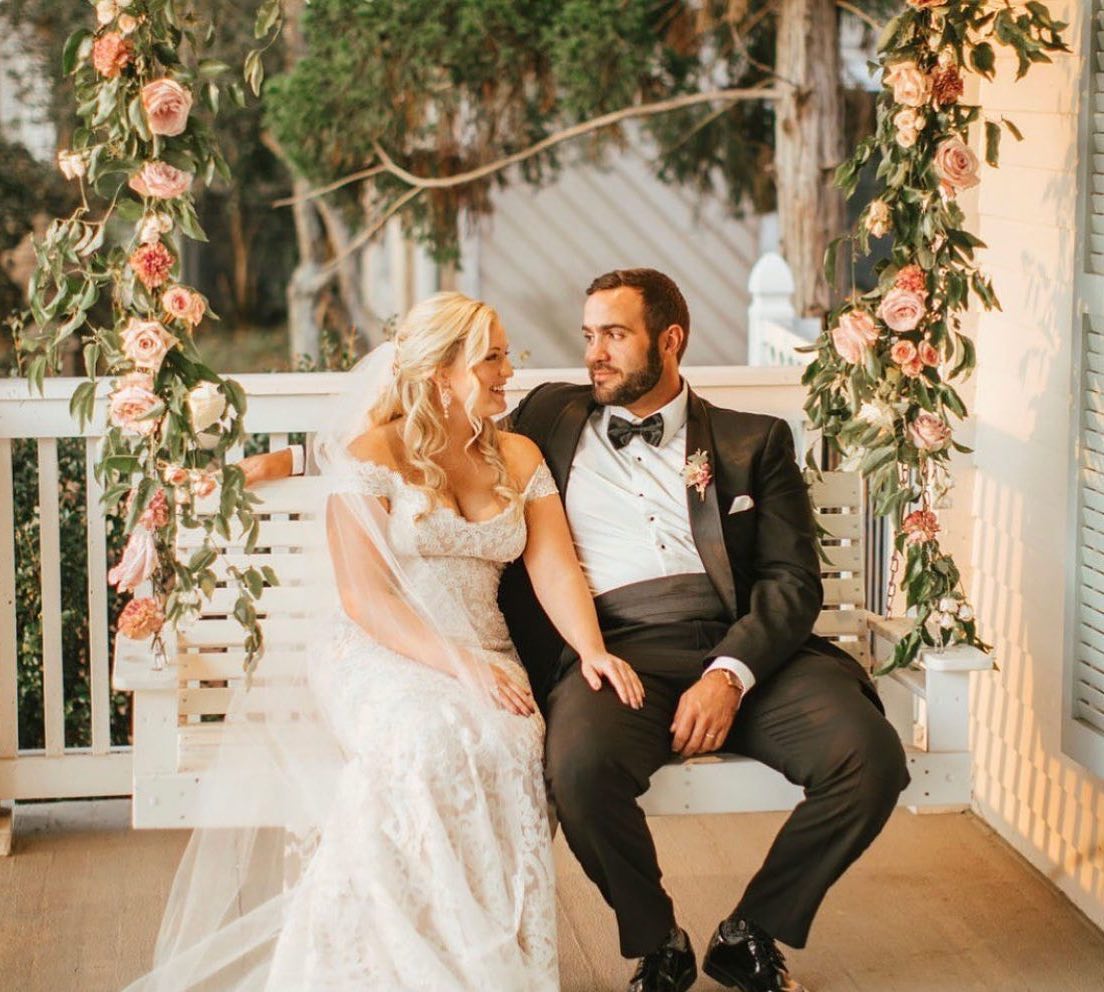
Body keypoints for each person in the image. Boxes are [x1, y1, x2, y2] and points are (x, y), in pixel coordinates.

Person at [245, 269, 910, 992]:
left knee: (870, 756)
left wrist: (729, 674)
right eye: (589, 335)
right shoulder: (549, 419)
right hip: (619, 649)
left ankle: (753, 930)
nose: (593, 353)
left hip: (746, 651)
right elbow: (405, 436)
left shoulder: (756, 441)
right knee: (577, 768)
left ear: (670, 341)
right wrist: (264, 465)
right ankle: (657, 941)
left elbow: (793, 583)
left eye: (615, 336)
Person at [134, 292, 643, 992]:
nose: (508, 370)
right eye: (491, 356)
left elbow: (552, 566)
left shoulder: (518, 454)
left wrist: (591, 648)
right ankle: (391, 960)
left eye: (505, 353)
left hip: (485, 650)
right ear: (441, 373)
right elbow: (362, 596)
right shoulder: (374, 452)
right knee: (427, 735)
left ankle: (483, 958)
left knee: (510, 740)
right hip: (378, 650)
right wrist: (456, 664)